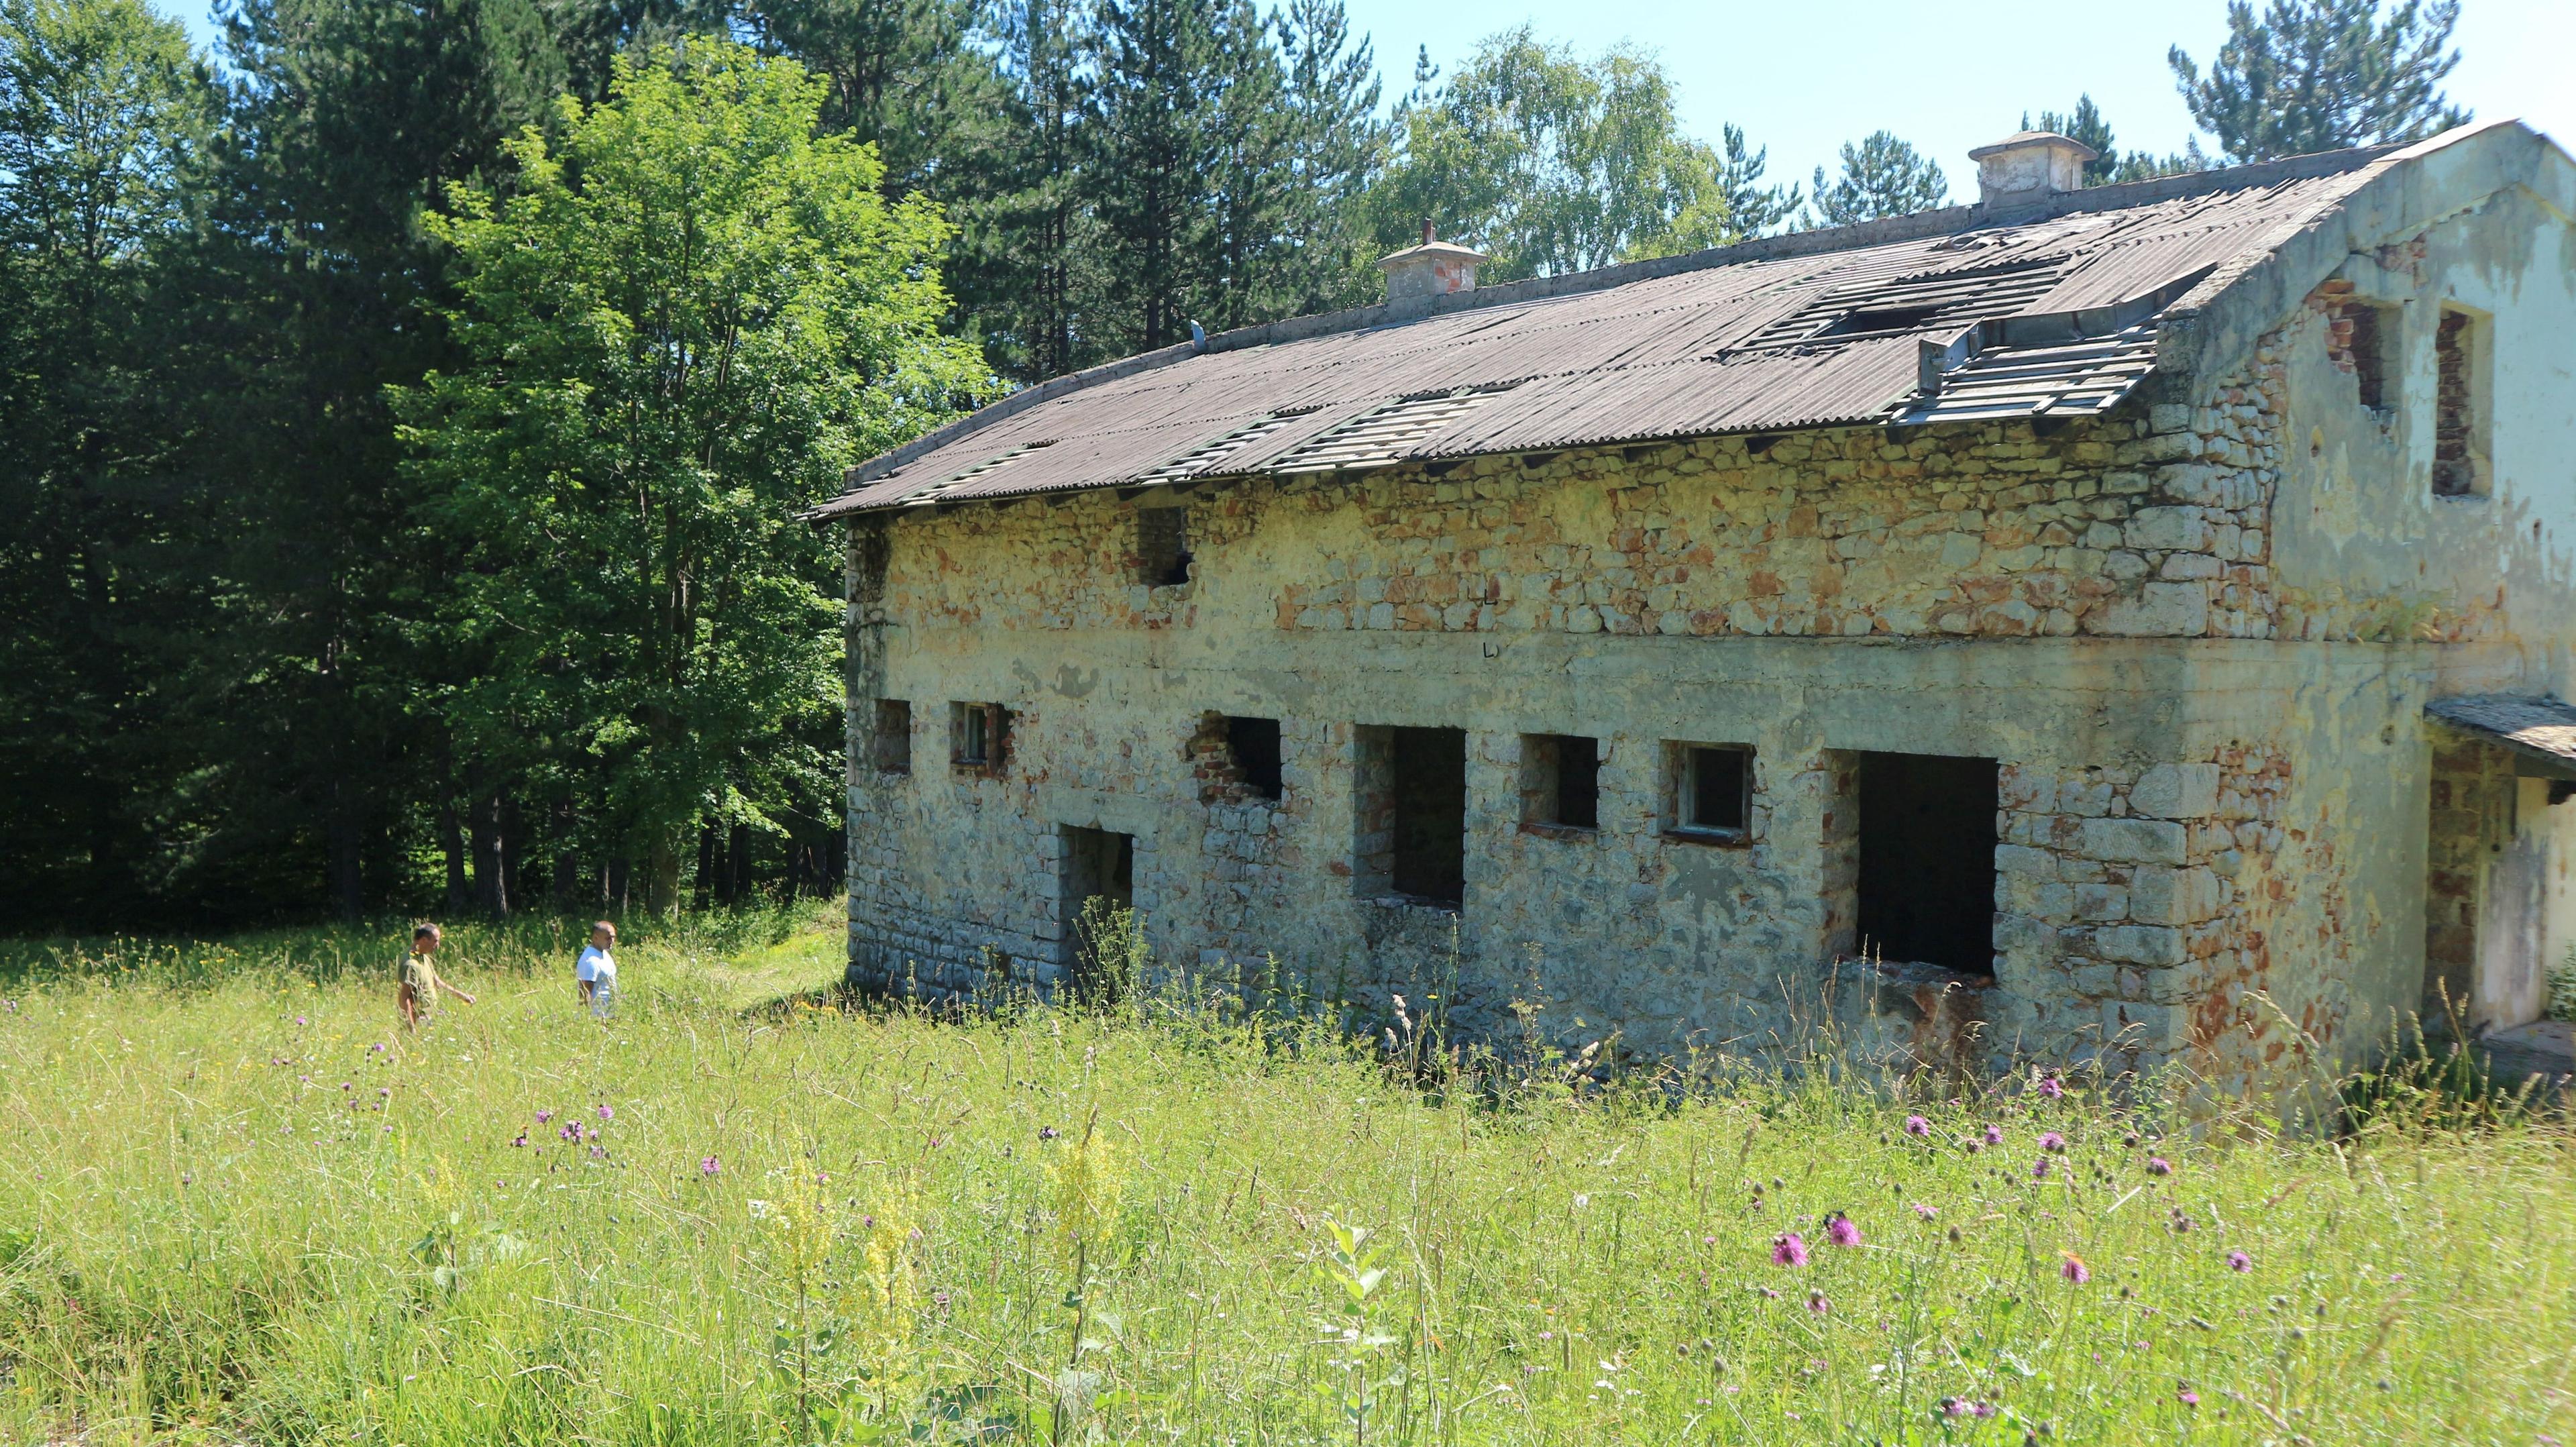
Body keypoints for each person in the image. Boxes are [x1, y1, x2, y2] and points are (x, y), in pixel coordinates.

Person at [399, 923, 474, 1030]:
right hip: (418, 1022)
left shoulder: (423, 957)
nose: (438, 945)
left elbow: (437, 982)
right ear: (424, 940)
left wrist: (463, 996)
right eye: (435, 941)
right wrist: (411, 1028)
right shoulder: (410, 964)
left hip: (428, 1019)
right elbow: (404, 997)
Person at [576, 920, 619, 1018]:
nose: (612, 941)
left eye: (613, 937)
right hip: (597, 1018)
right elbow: (584, 994)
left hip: (609, 1015)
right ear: (596, 938)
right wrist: (585, 1020)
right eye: (608, 938)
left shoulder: (604, 953)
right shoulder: (591, 961)